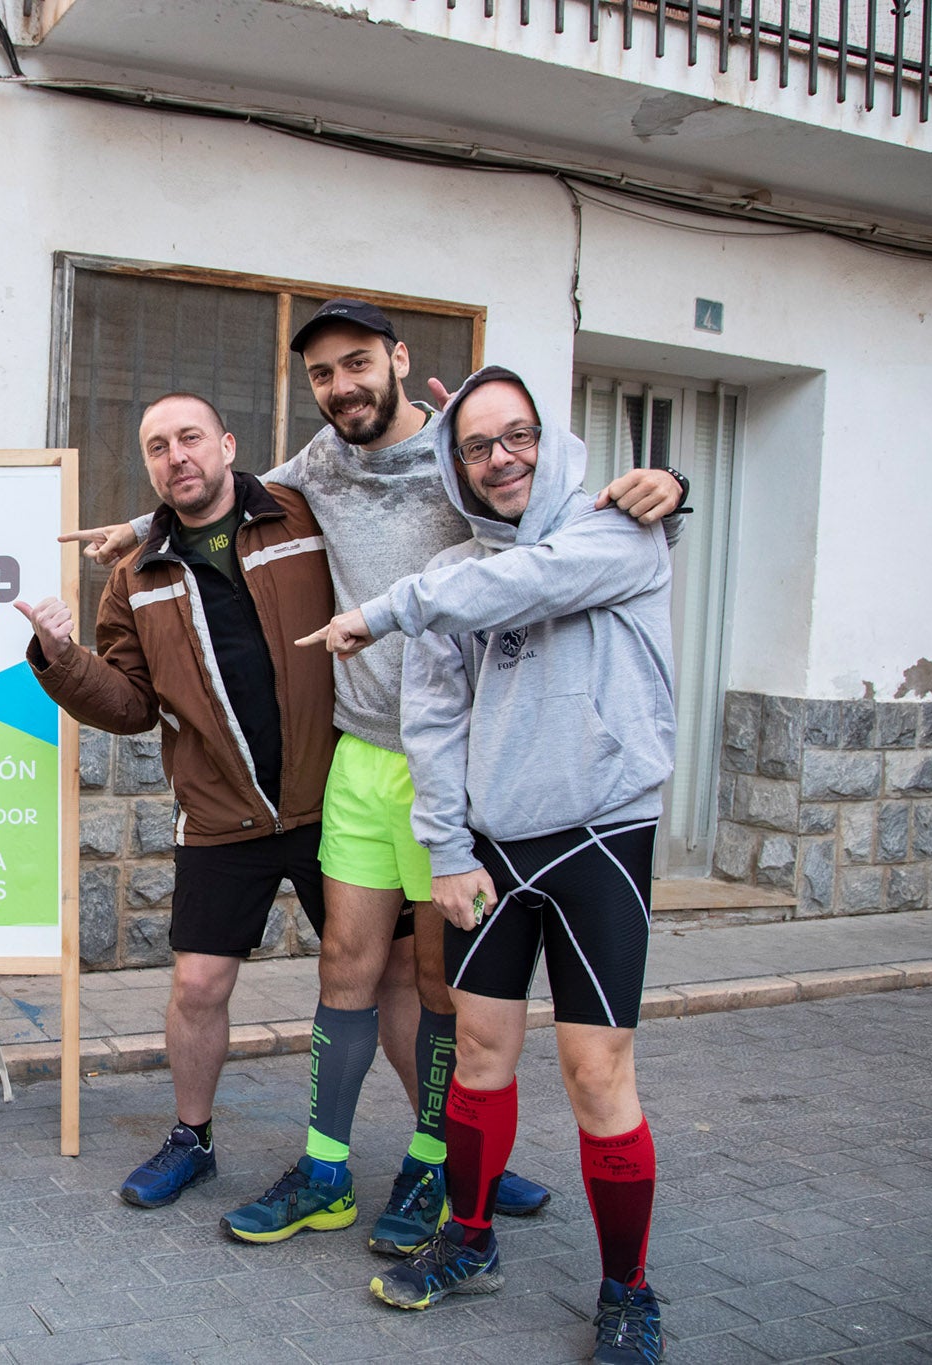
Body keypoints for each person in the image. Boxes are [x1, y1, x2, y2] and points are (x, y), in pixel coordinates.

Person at [77, 301, 684, 1253]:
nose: (342, 387)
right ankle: (332, 1169)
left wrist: (660, 482)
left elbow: (557, 516)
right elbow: (230, 485)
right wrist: (141, 521)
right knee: (349, 967)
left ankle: (443, 1159)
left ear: (399, 359)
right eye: (323, 376)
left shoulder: (467, 455)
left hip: (462, 763)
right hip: (361, 751)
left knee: (444, 987)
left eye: (357, 364)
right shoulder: (319, 463)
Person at [334, 367, 672, 1365]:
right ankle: (468, 1242)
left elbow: (529, 581)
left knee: (593, 1071)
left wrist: (395, 602)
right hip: (489, 849)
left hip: (601, 834)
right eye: (477, 446)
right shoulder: (455, 576)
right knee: (475, 1057)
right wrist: (442, 848)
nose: (500, 458)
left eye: (515, 435)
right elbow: (430, 718)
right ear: (457, 464)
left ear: (545, 437)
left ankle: (626, 1292)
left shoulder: (617, 530)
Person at [19, 393, 348, 1227]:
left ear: (228, 444)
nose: (176, 456)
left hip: (331, 798)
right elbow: (128, 702)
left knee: (387, 981)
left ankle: (452, 1147)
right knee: (198, 984)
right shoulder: (137, 574)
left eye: (190, 437)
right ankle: (193, 1140)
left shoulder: (302, 516)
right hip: (219, 814)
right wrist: (59, 658)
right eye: (158, 447)